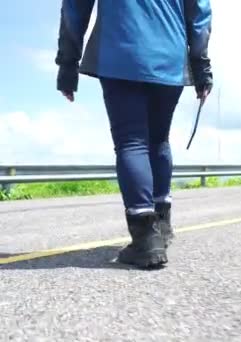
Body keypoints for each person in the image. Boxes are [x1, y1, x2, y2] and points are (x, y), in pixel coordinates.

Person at [54, 0, 213, 268]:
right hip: (170, 54)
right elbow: (199, 11)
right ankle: (161, 225)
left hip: (121, 50)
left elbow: (74, 8)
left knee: (132, 141)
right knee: (158, 139)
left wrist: (68, 63)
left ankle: (145, 239)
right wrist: (201, 65)